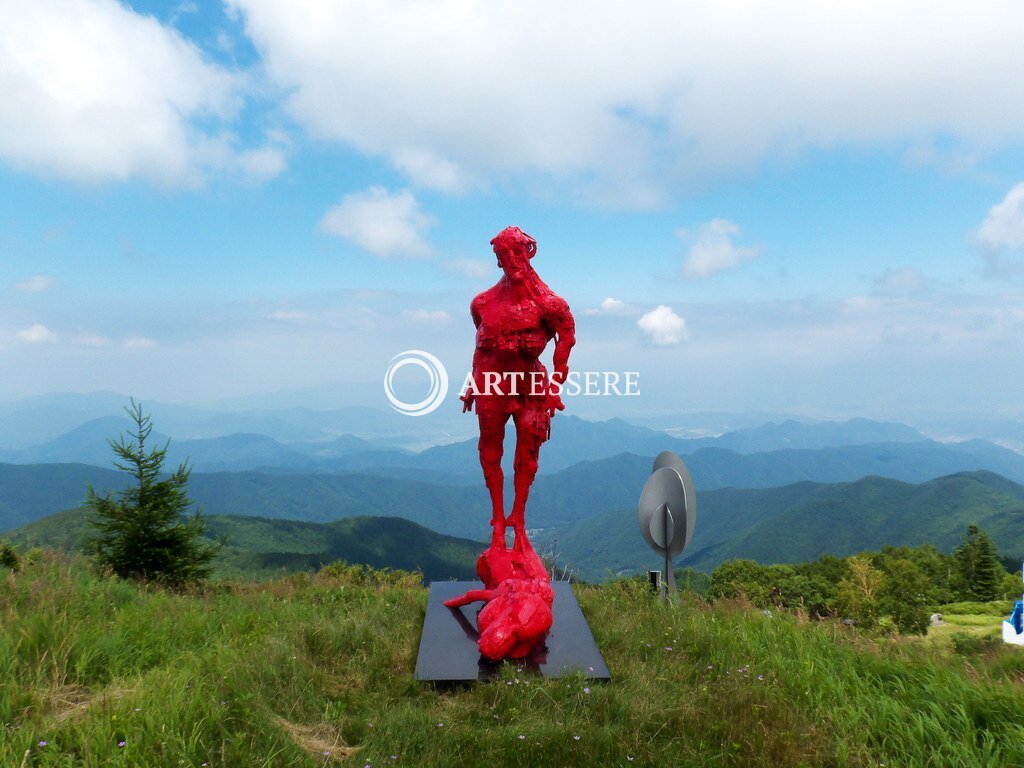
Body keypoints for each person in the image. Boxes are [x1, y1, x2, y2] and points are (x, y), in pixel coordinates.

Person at [460, 226, 576, 549]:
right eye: (503, 254)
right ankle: (498, 522)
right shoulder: (482, 304)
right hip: (493, 384)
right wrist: (473, 380)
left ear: (529, 252)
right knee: (489, 451)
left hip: (531, 386)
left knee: (527, 454)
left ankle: (519, 521)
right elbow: (482, 347)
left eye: (516, 251)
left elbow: (566, 338)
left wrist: (556, 382)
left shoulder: (549, 305)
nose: (511, 259)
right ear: (497, 260)